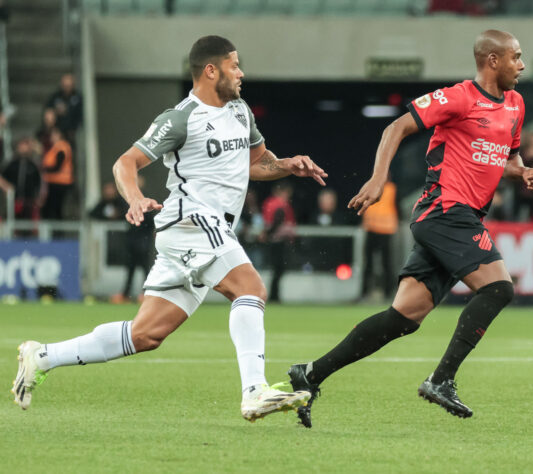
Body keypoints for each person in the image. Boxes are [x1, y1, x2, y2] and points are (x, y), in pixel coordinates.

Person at [12, 36, 328, 422]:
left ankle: (42, 356)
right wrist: (134, 198)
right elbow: (126, 162)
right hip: (192, 220)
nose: (241, 73)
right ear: (211, 70)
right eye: (234, 65)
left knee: (145, 334)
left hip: (207, 231)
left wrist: (288, 164)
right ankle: (254, 391)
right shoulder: (180, 117)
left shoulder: (241, 111)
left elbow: (255, 164)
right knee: (251, 288)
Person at [286, 30, 533, 427]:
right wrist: (376, 179)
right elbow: (395, 129)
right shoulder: (458, 97)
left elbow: (503, 158)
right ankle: (442, 379)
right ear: (493, 60)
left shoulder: (515, 105)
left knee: (403, 316)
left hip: (463, 218)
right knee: (498, 287)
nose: (522, 65)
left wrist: (522, 171)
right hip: (443, 211)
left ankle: (311, 374)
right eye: (516, 57)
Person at [360, 178, 398, 300]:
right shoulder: (388, 188)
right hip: (373, 228)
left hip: (385, 230)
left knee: (385, 263)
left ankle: (386, 293)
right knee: (371, 264)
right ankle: (366, 292)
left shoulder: (391, 189)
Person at [261, 182, 296, 303]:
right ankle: (274, 296)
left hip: (273, 241)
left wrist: (266, 234)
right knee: (278, 269)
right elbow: (277, 221)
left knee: (276, 269)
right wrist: (268, 234)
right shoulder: (280, 205)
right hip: (278, 241)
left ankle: (274, 295)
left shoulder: (269, 203)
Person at [40, 128, 74, 220]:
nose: (52, 137)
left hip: (59, 183)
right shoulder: (55, 148)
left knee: (55, 208)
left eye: (54, 134)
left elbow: (57, 166)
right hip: (53, 182)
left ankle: (57, 231)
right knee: (52, 208)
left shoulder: (62, 147)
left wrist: (44, 169)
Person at [45, 73, 83, 144]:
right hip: (57, 128)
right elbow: (48, 109)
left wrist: (67, 111)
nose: (66, 88)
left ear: (72, 85)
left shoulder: (77, 97)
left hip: (70, 130)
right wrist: (56, 111)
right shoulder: (56, 96)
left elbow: (79, 115)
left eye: (68, 86)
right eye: (64, 85)